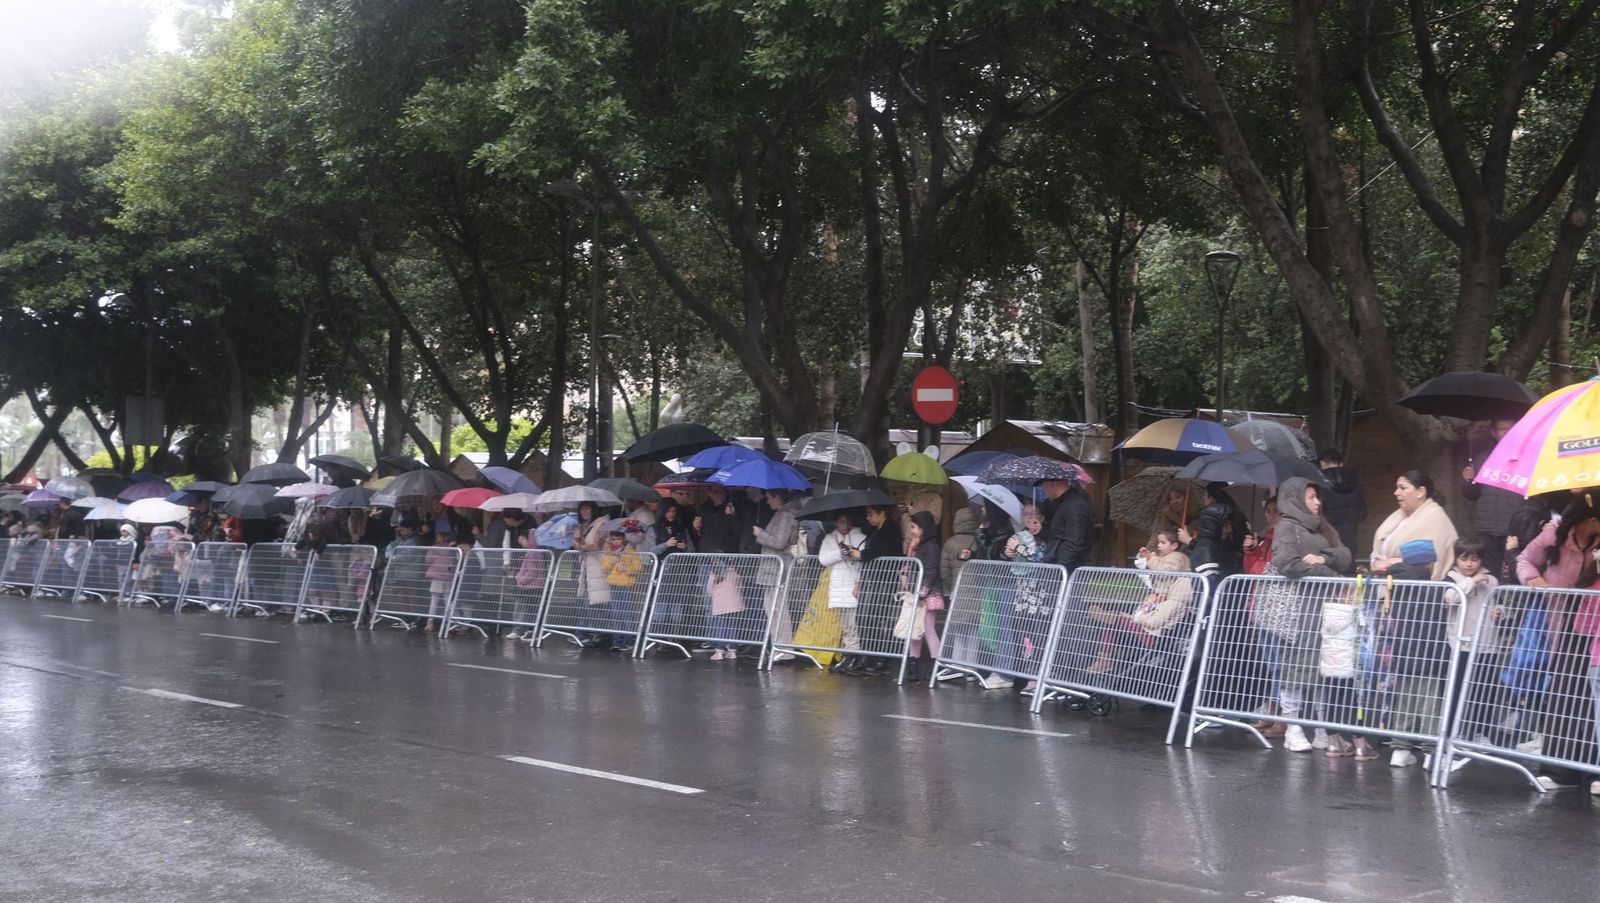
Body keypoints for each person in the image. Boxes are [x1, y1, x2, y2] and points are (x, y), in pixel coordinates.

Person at [1515, 496, 1600, 792]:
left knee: (1594, 698)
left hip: (1596, 624)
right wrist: (1532, 579)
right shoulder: (1554, 535)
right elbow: (1525, 559)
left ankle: (1594, 772)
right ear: (1591, 521)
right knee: (1563, 695)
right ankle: (1559, 771)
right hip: (1565, 623)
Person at [1267, 476, 1352, 753]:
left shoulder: (1321, 526)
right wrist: (1329, 573)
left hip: (1324, 608)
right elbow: (1286, 563)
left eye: (1317, 497)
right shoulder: (1287, 527)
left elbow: (1345, 556)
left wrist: (1324, 558)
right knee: (1296, 666)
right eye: (1311, 497)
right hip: (1299, 610)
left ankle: (1320, 727)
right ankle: (1292, 727)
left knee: (1323, 668)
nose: (1317, 502)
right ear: (1295, 499)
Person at [1378, 540, 1455, 768]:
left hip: (1403, 653)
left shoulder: (1397, 584)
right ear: (1429, 563)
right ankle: (1431, 753)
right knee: (1430, 705)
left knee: (1404, 702)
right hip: (1430, 655)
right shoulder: (1434, 587)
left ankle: (1400, 750)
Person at [1441, 538, 1509, 772]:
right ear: (1456, 559)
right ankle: (1454, 733)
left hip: (1488, 644)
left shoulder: (1492, 580)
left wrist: (1501, 612)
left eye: (1474, 559)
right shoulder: (1451, 579)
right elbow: (1451, 599)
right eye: (1464, 559)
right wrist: (1472, 581)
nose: (1469, 564)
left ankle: (1481, 733)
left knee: (1485, 691)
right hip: (1460, 645)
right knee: (1457, 690)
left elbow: (1500, 604)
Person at [1086, 531, 1193, 673]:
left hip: (1153, 636)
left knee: (1115, 618)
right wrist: (1147, 558)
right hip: (1146, 627)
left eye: (1163, 542)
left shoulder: (1174, 599)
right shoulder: (1160, 594)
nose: (1159, 545)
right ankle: (1104, 659)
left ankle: (1106, 657)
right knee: (1110, 623)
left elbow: (1154, 622)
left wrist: (1138, 617)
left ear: (1174, 546)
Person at [843, 504, 904, 676]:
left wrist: (862, 555)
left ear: (882, 513)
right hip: (871, 578)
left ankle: (881, 658)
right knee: (863, 617)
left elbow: (883, 551)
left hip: (884, 579)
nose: (868, 518)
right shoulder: (874, 531)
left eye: (871, 514)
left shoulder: (891, 530)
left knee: (878, 617)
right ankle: (866, 656)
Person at [1461, 420, 1522, 583]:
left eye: (1511, 428)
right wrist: (1468, 480)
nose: (1508, 432)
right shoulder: (1482, 458)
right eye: (1502, 429)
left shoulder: (1526, 457)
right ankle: (1492, 600)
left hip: (1514, 529)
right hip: (1487, 528)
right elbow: (1472, 494)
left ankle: (1516, 600)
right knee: (1489, 576)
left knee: (1517, 573)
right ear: (1493, 433)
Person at [1370, 470, 1458, 581]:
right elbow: (1378, 548)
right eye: (1397, 488)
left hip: (1414, 587)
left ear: (1420, 492)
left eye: (1402, 488)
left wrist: (1390, 563)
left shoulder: (1436, 520)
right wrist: (1375, 563)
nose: (1396, 492)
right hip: (1385, 584)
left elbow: (1430, 563)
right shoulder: (1397, 516)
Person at [752, 490, 801, 656]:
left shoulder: (785, 515)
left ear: (777, 497)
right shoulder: (784, 514)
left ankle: (784, 650)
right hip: (774, 569)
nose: (767, 501)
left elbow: (779, 542)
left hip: (777, 569)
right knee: (772, 609)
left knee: (777, 610)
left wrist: (761, 534)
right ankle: (779, 647)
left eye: (768, 498)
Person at [817, 513, 866, 672]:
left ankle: (854, 653)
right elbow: (823, 559)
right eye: (842, 522)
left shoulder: (860, 537)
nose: (846, 525)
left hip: (853, 585)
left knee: (853, 623)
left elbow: (863, 560)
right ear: (835, 523)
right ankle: (849, 653)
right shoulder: (830, 539)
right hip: (838, 585)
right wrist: (840, 553)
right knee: (845, 624)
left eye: (848, 522)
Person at [901, 510, 944, 683]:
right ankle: (914, 665)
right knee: (915, 631)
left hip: (926, 594)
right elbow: (912, 565)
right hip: (918, 592)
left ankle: (936, 665)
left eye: (914, 527)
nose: (912, 530)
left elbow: (931, 571)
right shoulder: (919, 545)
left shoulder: (931, 547)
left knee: (928, 630)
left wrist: (922, 592)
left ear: (923, 528)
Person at [601, 525, 645, 652]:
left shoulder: (631, 551)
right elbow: (604, 568)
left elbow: (639, 567)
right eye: (613, 539)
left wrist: (628, 569)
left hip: (626, 585)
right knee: (616, 613)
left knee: (626, 613)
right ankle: (617, 639)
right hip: (614, 584)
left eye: (618, 539)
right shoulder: (610, 552)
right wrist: (612, 563)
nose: (616, 542)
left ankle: (628, 639)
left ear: (624, 539)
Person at [1038, 475, 1093, 572]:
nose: (1044, 491)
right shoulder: (1060, 504)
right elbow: (1056, 536)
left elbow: (1075, 542)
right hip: (1058, 564)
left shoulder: (1074, 505)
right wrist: (1040, 529)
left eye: (1044, 486)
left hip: (1069, 567)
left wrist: (1060, 568)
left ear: (1051, 484)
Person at [1318, 448, 1366, 556]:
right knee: (1349, 558)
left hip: (1327, 530)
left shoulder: (1318, 482)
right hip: (1351, 530)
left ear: (1322, 463)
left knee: (1329, 559)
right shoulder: (1354, 479)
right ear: (1340, 463)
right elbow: (1361, 510)